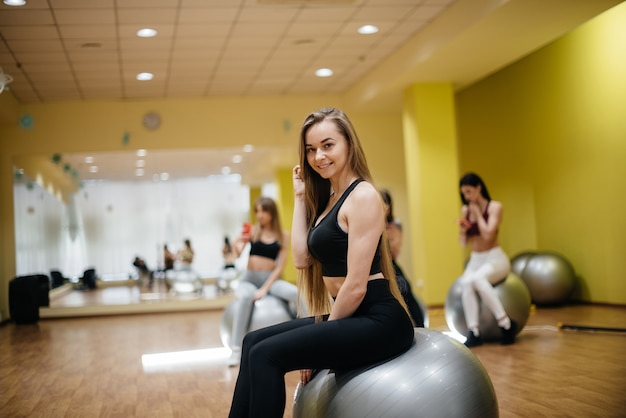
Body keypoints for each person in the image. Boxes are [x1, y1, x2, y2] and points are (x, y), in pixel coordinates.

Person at [228, 107, 414, 418]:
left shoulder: (364, 196)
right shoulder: (330, 198)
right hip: (352, 316)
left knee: (266, 355)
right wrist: (300, 197)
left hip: (378, 319)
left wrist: (320, 346)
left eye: (328, 145)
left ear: (348, 145)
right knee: (251, 342)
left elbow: (355, 287)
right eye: (311, 150)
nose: (318, 157)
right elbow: (301, 259)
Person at [227, 197, 299, 367]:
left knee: (295, 293)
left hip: (270, 280)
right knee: (244, 298)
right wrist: (237, 242)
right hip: (249, 279)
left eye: (263, 211)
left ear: (271, 213)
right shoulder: (253, 231)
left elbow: (279, 267)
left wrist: (265, 289)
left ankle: (302, 332)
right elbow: (237, 255)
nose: (259, 215)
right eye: (257, 211)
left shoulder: (283, 235)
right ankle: (236, 349)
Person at [456, 172, 517, 347]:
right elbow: (462, 243)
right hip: (476, 259)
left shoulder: (494, 207)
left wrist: (477, 213)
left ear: (478, 188)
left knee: (478, 279)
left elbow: (489, 235)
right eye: (464, 194)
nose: (467, 197)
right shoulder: (465, 210)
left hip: (495, 258)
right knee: (466, 283)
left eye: (469, 192)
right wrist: (463, 229)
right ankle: (474, 331)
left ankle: (506, 324)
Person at [379, 188, 425, 327]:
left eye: (383, 203)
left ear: (389, 206)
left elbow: (394, 251)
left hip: (391, 266)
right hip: (376, 268)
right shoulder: (370, 223)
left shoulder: (394, 225)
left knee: (406, 291)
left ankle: (421, 326)